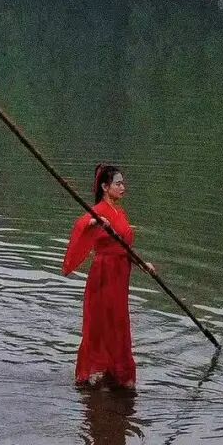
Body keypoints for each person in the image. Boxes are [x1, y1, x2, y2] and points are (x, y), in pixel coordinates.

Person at [62, 164, 153, 389]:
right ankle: (94, 370)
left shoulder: (120, 212)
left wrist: (142, 264)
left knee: (119, 323)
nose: (123, 187)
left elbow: (124, 246)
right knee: (102, 322)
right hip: (104, 276)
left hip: (121, 275)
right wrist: (95, 222)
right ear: (105, 187)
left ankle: (117, 370)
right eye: (118, 183)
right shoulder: (99, 210)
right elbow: (82, 224)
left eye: (123, 183)